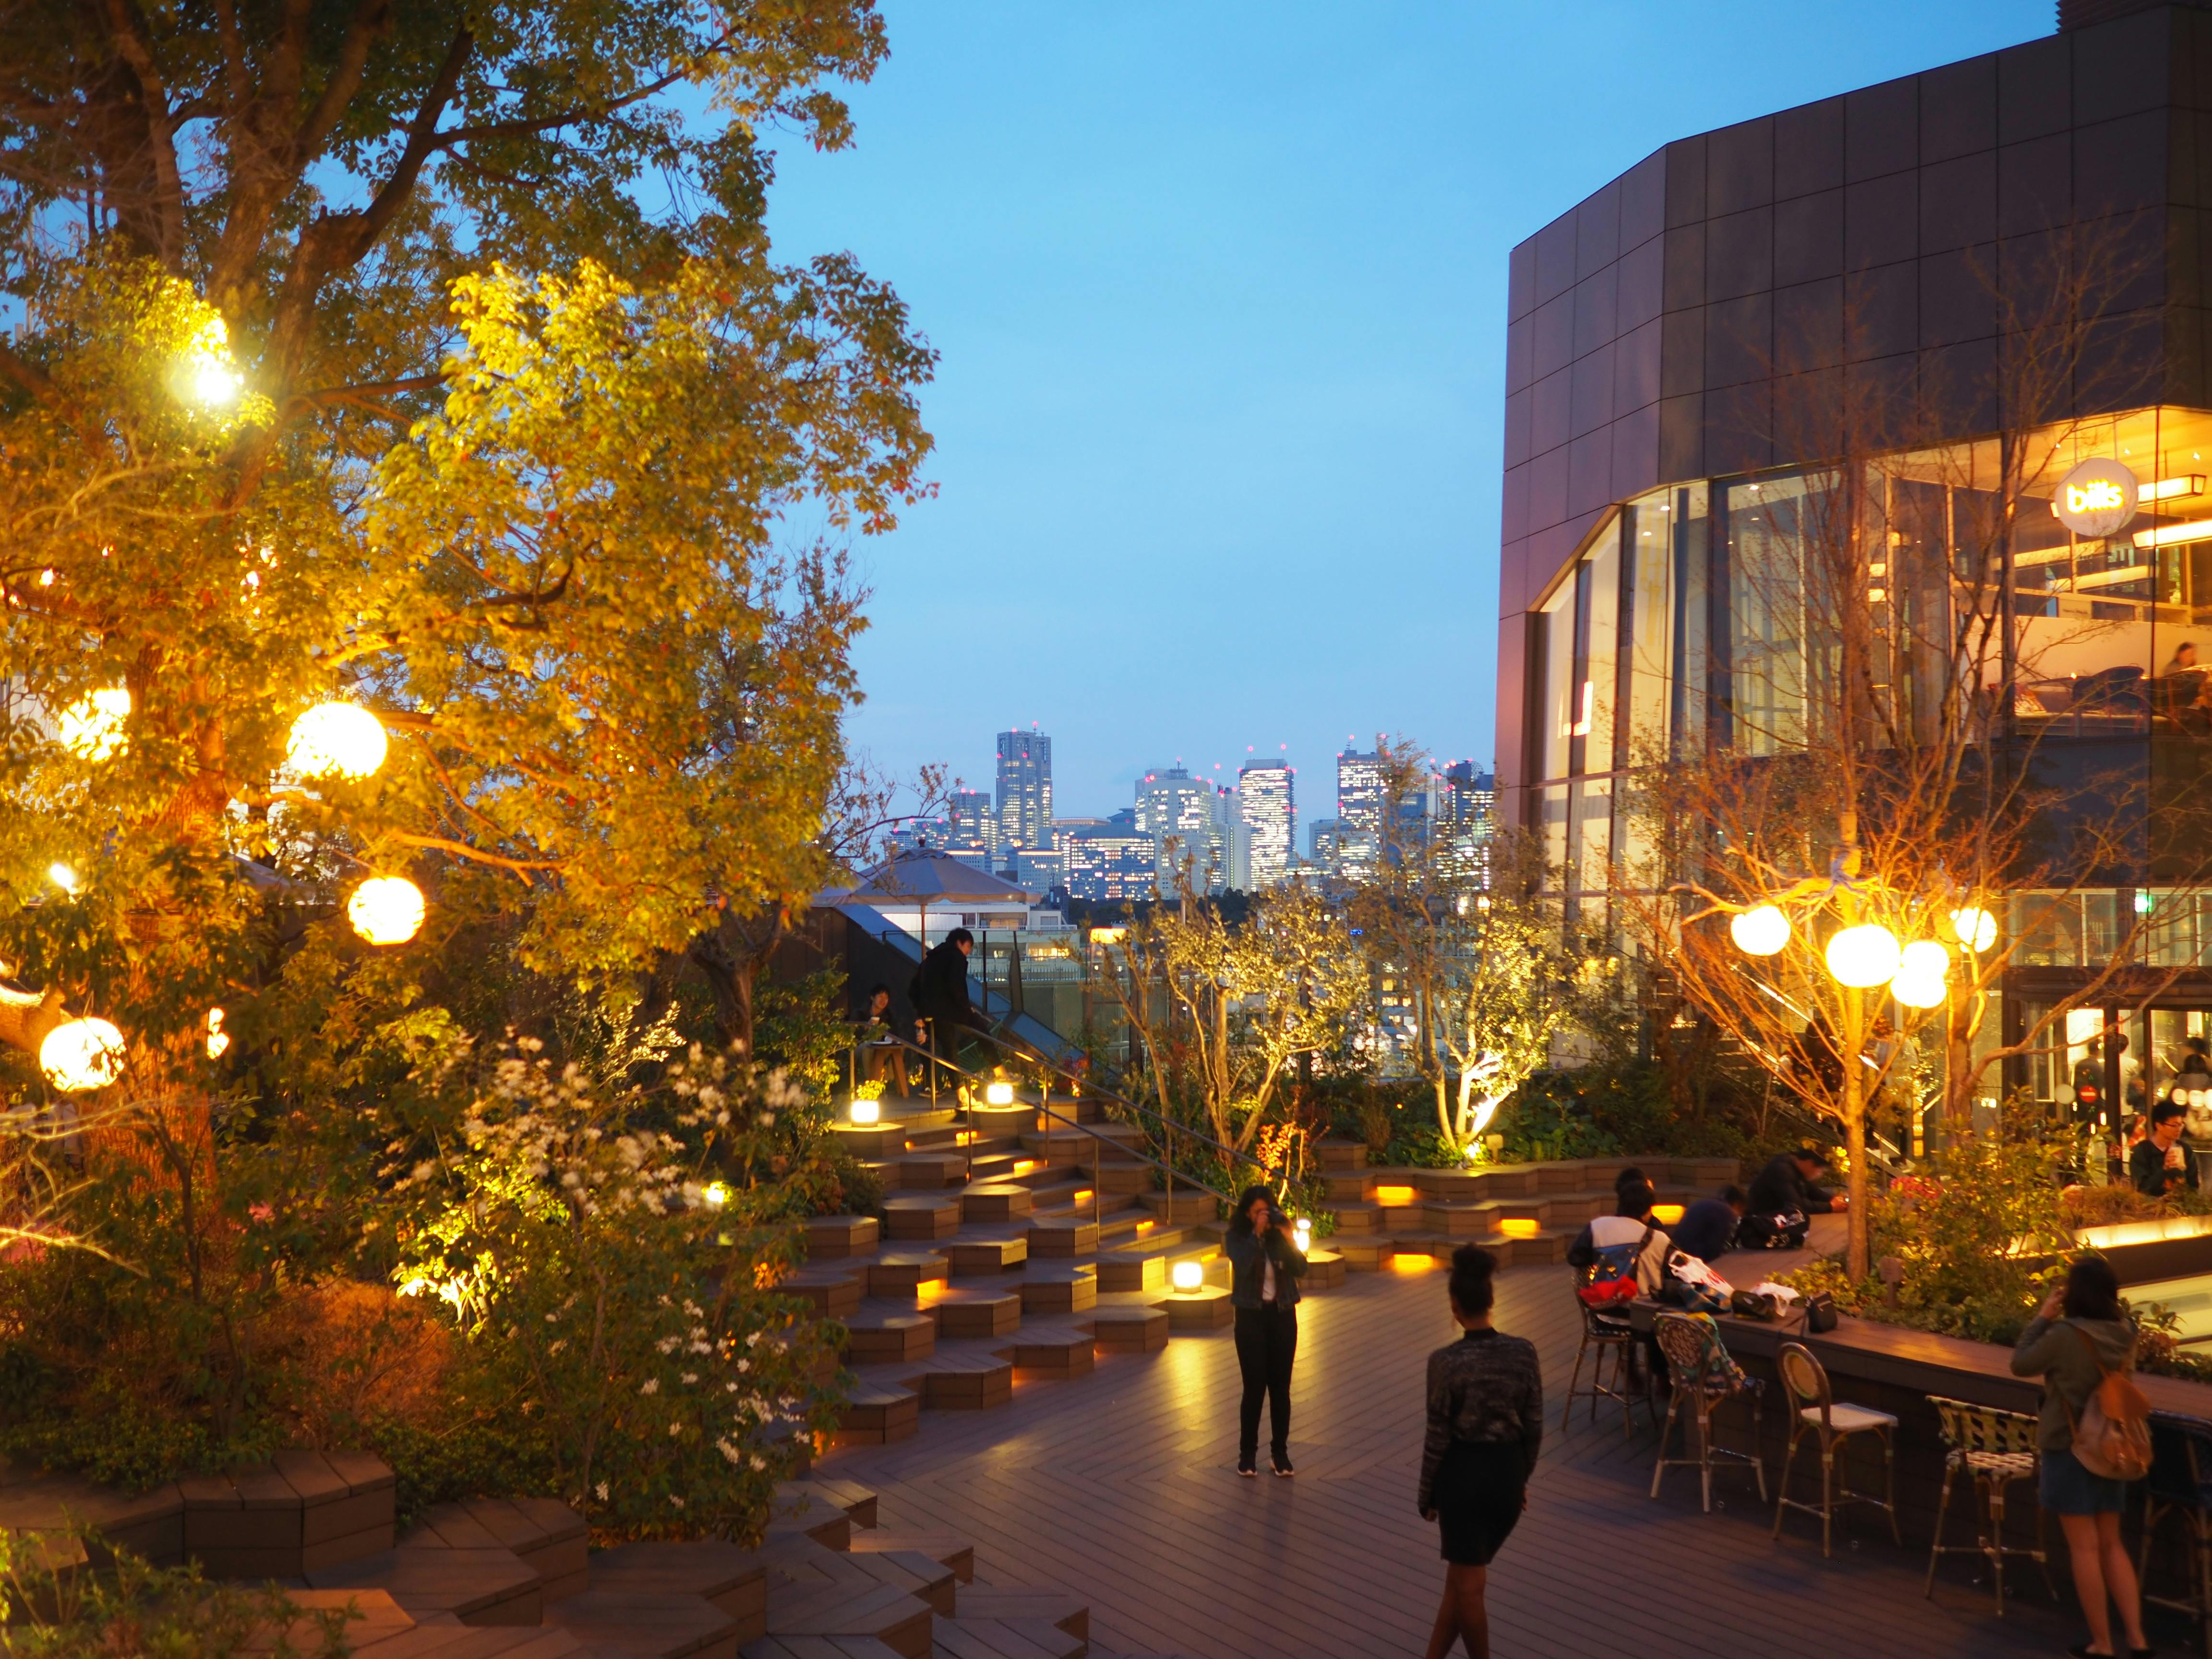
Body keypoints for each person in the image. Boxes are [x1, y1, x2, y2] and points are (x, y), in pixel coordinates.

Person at [2009, 1256, 2148, 1659]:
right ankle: (2137, 1640)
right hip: (2114, 1447)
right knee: (2112, 1544)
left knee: (2084, 1549)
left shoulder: (2065, 1335)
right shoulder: (2127, 1332)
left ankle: (2102, 1644)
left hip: (2069, 1448)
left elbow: (2020, 1363)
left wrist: (2043, 1317)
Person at [1419, 1244, 1541, 1659]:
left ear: (1454, 1307)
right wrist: (1520, 1478)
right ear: (1491, 1301)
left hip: (1463, 1481)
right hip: (1506, 1477)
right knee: (1460, 1581)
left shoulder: (1445, 1361)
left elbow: (1437, 1436)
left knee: (1468, 1587)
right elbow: (1534, 1427)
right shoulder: (1523, 1352)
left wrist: (1427, 1495)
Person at [1223, 1184, 1307, 1477]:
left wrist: (1288, 1236)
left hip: (1282, 1315)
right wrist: (1256, 1237)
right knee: (1254, 1388)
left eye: (1267, 1211)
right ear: (1247, 1213)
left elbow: (1301, 1268)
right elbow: (1243, 1266)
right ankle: (1247, 1455)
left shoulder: (1278, 1236)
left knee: (1281, 1389)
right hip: (1251, 1318)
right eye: (1258, 1211)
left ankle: (1280, 1454)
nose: (1263, 1216)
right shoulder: (1237, 1237)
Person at [912, 926, 992, 1065]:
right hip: (950, 1010)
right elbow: (956, 986)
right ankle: (999, 1070)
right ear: (959, 943)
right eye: (968, 946)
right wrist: (967, 1008)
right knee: (982, 1031)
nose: (969, 951)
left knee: (949, 1049)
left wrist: (921, 1012)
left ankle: (957, 1082)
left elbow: (913, 989)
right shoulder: (956, 957)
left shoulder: (930, 960)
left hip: (931, 1012)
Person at [2131, 1099, 2197, 1197]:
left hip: (2181, 1206)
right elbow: (2142, 1189)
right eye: (2174, 1125)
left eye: (2181, 1125)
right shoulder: (2142, 1151)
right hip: (2149, 1206)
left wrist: (2182, 1170)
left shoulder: (2185, 1150)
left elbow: (2194, 1189)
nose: (2179, 1129)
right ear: (2159, 1126)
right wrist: (2165, 1169)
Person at [1669, 1184, 1747, 1264]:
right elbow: (1714, 1247)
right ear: (1737, 1205)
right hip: (1693, 1257)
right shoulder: (1724, 1212)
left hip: (1678, 1251)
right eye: (1741, 1211)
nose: (1739, 1215)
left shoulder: (1706, 1203)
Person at [857, 983, 912, 1095]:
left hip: (882, 1045)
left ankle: (888, 1080)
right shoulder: (860, 1013)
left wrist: (886, 1033)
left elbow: (895, 1033)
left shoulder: (889, 1016)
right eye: (881, 997)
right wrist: (866, 1028)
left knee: (899, 1048)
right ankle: (872, 1083)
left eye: (886, 998)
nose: (884, 1000)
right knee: (868, 1047)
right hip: (860, 1046)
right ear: (872, 998)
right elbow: (853, 1033)